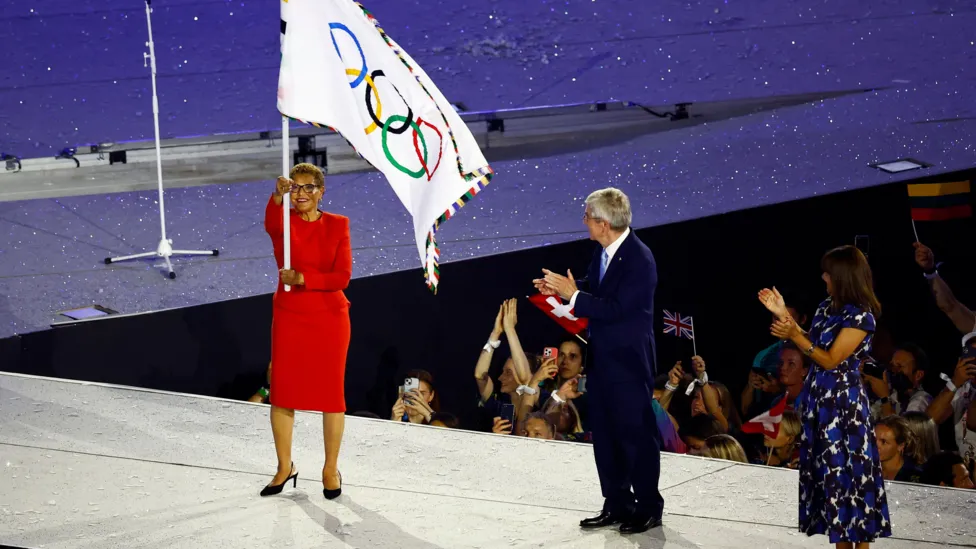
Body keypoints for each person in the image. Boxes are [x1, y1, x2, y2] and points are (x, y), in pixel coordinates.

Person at [534, 187, 663, 534]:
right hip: (603, 359)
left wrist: (573, 295)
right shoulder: (603, 251)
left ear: (604, 223)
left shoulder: (639, 259)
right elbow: (600, 289)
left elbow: (618, 308)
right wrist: (563, 290)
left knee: (635, 436)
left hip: (628, 363)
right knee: (605, 435)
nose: (584, 222)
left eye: (587, 217)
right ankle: (617, 503)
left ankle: (649, 506)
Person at [759, 245, 891, 548]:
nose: (823, 276)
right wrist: (787, 320)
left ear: (843, 277)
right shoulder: (825, 307)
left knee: (851, 487)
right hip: (819, 403)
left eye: (828, 272)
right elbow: (813, 345)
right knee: (833, 490)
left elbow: (831, 359)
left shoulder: (861, 318)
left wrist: (793, 334)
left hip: (844, 410)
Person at [261, 163, 352, 501]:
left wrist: (303, 279)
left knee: (331, 396)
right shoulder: (283, 224)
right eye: (295, 187)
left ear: (321, 191)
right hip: (290, 316)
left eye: (308, 187)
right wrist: (275, 195)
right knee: (284, 392)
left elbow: (341, 278)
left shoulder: (338, 225)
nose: (301, 193)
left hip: (329, 318)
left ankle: (330, 469)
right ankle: (285, 466)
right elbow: (271, 221)